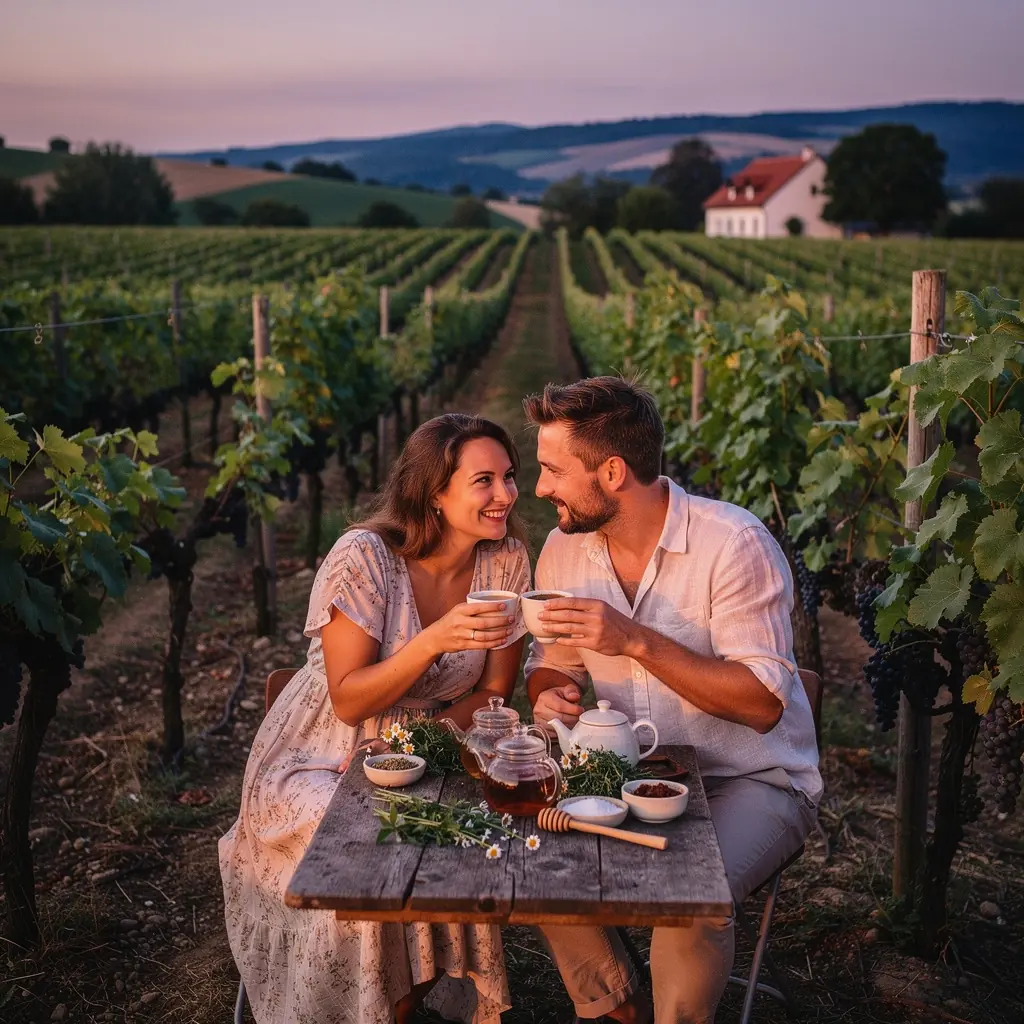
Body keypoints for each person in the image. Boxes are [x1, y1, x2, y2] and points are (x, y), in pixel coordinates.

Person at [522, 376, 821, 1024]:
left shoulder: (732, 544)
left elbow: (764, 703)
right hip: (637, 774)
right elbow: (551, 664)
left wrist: (634, 639)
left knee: (690, 895)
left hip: (754, 780)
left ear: (612, 471)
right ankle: (615, 1005)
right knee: (534, 857)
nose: (539, 488)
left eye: (551, 469)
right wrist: (553, 696)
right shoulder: (562, 550)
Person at [219, 413, 532, 1024]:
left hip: (432, 748)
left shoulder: (508, 563)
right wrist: (435, 639)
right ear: (434, 494)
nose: (506, 495)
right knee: (370, 845)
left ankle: (404, 1001)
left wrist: (421, 746)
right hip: (321, 752)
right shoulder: (364, 557)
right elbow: (349, 700)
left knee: (454, 833)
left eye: (511, 477)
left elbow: (496, 692)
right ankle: (368, 1008)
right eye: (485, 480)